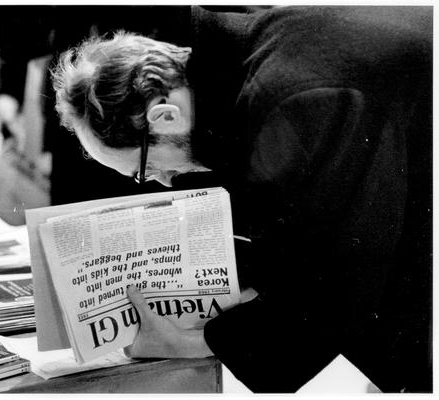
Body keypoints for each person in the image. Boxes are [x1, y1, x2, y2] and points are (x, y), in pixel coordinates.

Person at [52, 6, 432, 393]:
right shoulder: (241, 57)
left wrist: (192, 343)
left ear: (165, 117)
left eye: (145, 170)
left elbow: (341, 278)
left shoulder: (299, 99)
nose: (163, 183)